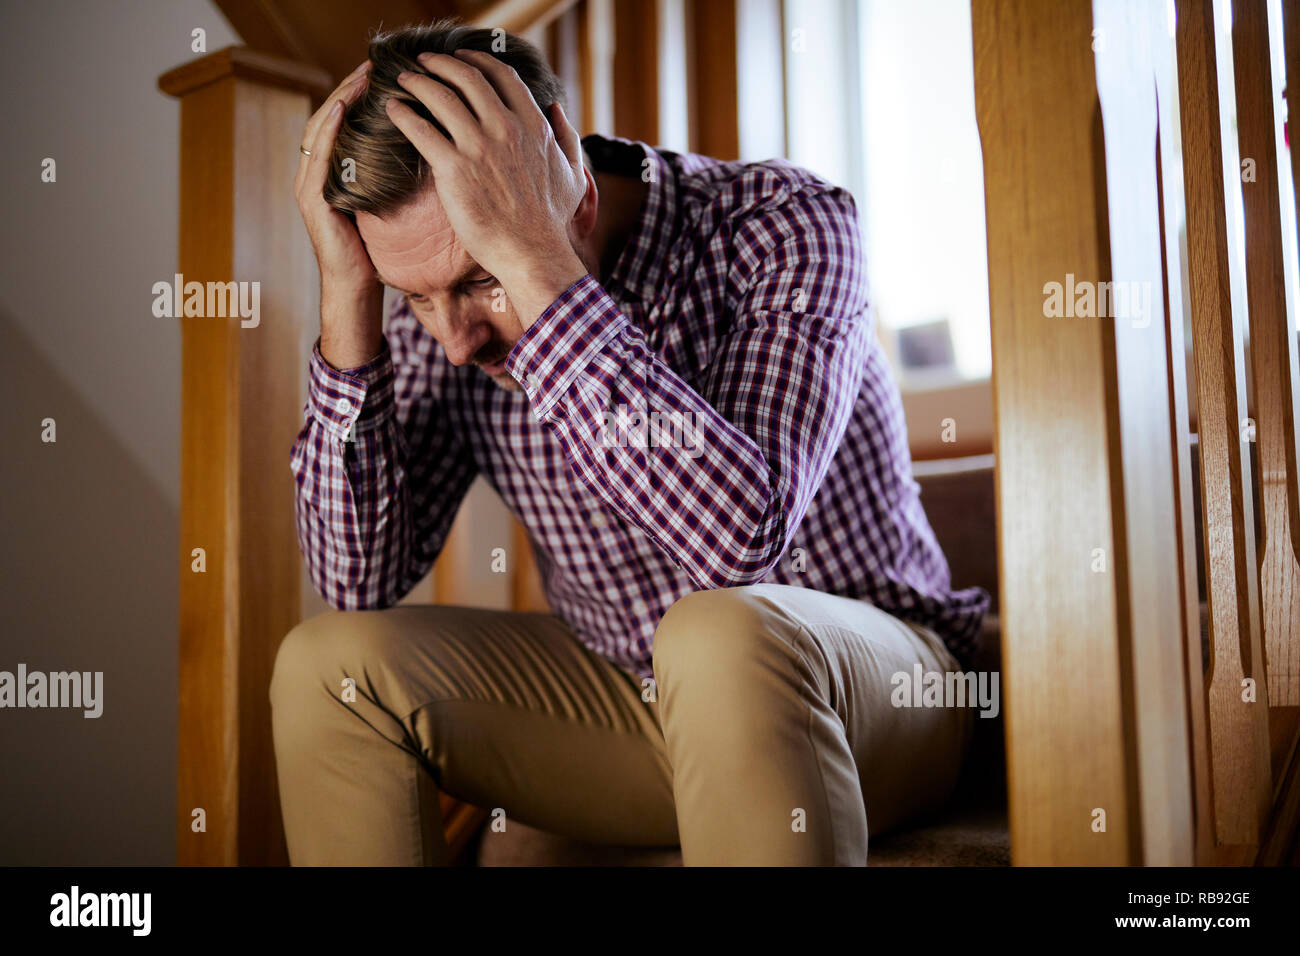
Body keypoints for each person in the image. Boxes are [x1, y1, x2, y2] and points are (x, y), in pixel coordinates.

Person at [270, 19, 990, 866]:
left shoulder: (785, 224)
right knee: (326, 665)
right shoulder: (442, 323)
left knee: (717, 632)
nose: (456, 340)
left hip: (875, 691)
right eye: (415, 296)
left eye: (479, 278)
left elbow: (737, 545)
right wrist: (351, 307)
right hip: (634, 707)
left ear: (570, 181)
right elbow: (356, 579)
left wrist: (536, 267)